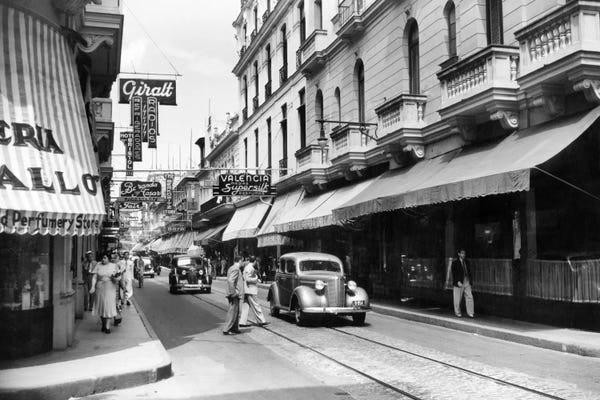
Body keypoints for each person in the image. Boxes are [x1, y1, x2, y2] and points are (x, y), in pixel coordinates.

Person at [90, 251, 121, 333]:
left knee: (108, 306)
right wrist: (93, 286)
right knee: (101, 306)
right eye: (102, 258)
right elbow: (94, 277)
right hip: (100, 288)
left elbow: (118, 277)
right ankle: (103, 324)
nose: (103, 259)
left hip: (110, 287)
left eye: (105, 258)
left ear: (108, 258)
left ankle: (107, 326)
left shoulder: (114, 266)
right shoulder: (98, 265)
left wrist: (116, 278)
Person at [239, 256, 269, 327]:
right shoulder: (250, 268)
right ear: (255, 261)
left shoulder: (247, 267)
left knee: (245, 306)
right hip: (251, 290)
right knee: (256, 305)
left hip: (247, 289)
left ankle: (242, 322)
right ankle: (261, 321)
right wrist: (256, 278)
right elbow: (248, 279)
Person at [451, 248, 475, 318]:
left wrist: (470, 281)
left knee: (469, 296)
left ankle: (470, 312)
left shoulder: (467, 262)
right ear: (458, 254)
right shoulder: (455, 263)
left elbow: (469, 272)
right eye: (462, 253)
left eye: (464, 253)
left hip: (466, 280)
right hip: (459, 281)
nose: (463, 254)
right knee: (457, 298)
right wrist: (457, 281)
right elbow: (454, 273)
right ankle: (457, 312)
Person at [223, 256, 244, 335]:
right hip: (234, 294)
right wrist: (234, 292)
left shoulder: (231, 268)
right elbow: (231, 281)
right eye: (242, 261)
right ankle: (227, 328)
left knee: (236, 311)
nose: (242, 263)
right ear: (240, 261)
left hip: (234, 293)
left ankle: (235, 328)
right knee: (232, 311)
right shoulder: (235, 269)